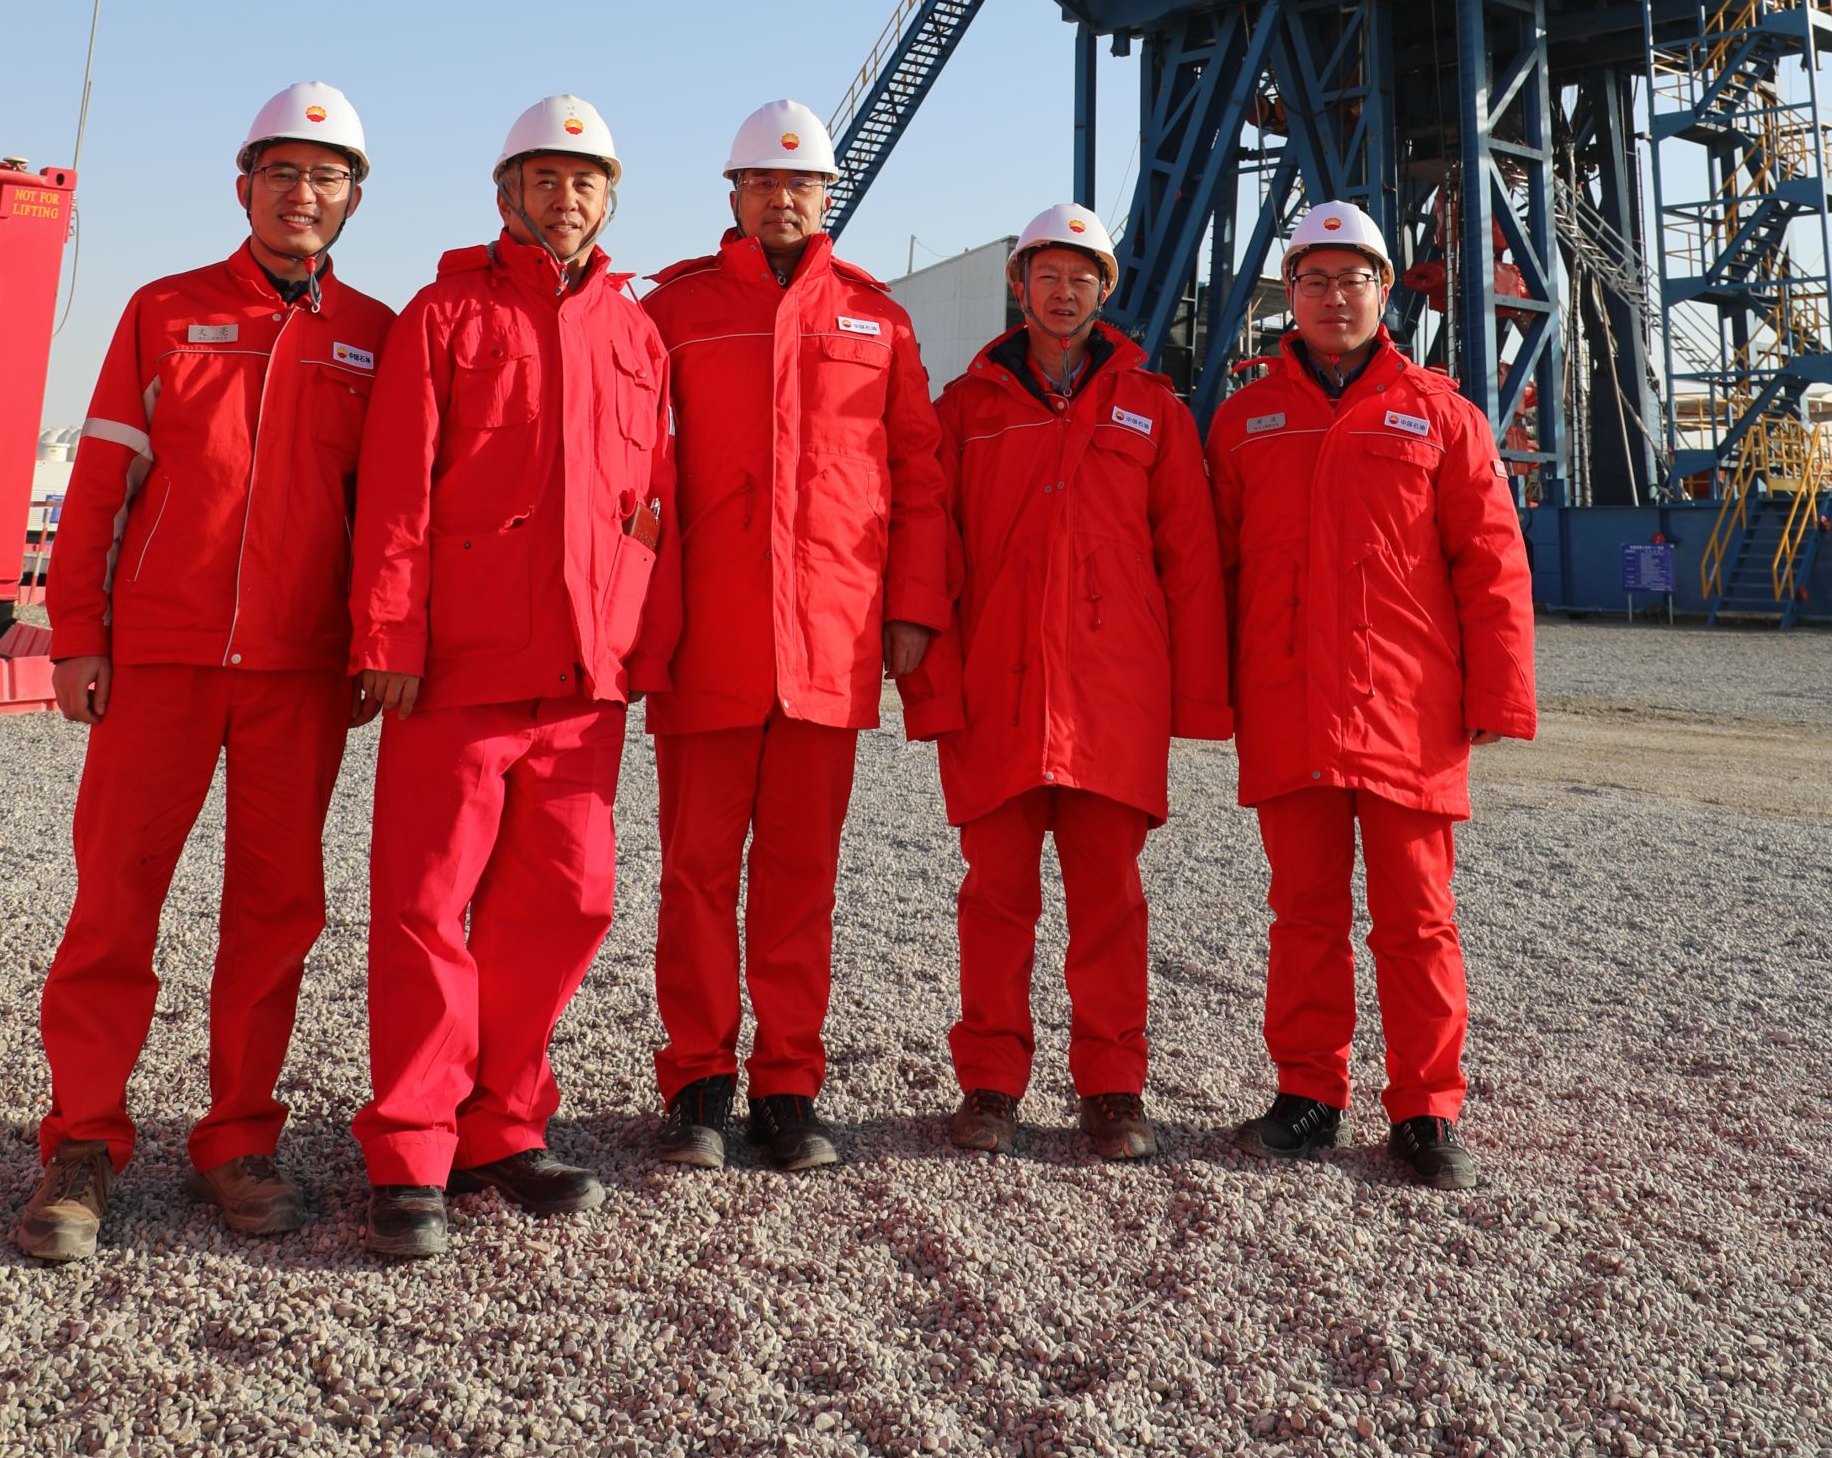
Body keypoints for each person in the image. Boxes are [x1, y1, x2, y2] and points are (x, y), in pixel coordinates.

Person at [14, 84, 391, 1264]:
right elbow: (100, 484)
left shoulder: (375, 336)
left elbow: (388, 515)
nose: (302, 194)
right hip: (160, 660)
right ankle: (82, 1141)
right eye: (282, 172)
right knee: (114, 904)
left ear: (353, 198)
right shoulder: (164, 311)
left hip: (298, 670)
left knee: (276, 913)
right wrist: (78, 634)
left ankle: (237, 1139)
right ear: (244, 186)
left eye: (325, 176)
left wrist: (375, 642)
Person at [349, 97, 679, 1260]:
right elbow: (397, 485)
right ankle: (411, 1147)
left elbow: (652, 507)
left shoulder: (635, 335)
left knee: (566, 903)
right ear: (506, 195)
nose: (565, 197)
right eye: (545, 178)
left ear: (608, 198)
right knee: (426, 907)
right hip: (458, 668)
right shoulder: (443, 315)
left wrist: (645, 646)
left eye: (585, 180)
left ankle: (502, 1126)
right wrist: (389, 637)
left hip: (585, 675)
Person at [640, 98, 952, 1173]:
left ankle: (787, 1086)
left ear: (828, 196)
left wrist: (910, 606)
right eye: (763, 183)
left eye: (802, 184)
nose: (783, 199)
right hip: (706, 636)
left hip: (829, 635)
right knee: (694, 869)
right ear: (733, 194)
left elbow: (917, 474)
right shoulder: (672, 311)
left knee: (800, 874)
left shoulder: (878, 319)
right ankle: (695, 1081)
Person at [1208, 199, 1535, 1189]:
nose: (1333, 298)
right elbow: (1213, 568)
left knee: (1417, 918)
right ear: (1290, 294)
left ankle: (1426, 1109)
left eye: (1351, 279)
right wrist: (1206, 693)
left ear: (1383, 290)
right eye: (1313, 281)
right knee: (1302, 914)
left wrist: (1499, 691)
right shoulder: (1243, 420)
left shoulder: (1441, 415)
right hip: (1289, 701)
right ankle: (1308, 1095)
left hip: (1408, 708)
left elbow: (1490, 559)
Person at [906, 203, 1230, 1163]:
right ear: (1019, 284)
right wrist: (932, 690)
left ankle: (1113, 1089)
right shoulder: (965, 411)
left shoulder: (1154, 411)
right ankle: (991, 1084)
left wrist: (1196, 703)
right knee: (994, 899)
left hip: (1111, 699)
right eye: (1047, 274)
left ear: (1106, 291)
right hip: (997, 693)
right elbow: (929, 555)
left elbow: (1191, 561)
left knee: (1110, 902)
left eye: (1082, 276)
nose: (1063, 291)